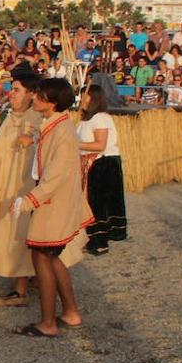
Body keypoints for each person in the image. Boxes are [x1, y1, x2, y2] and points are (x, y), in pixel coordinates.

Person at [0, 73, 84, 305]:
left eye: (17, 89)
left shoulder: (39, 119)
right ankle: (33, 282)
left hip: (27, 185)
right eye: (12, 88)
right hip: (9, 181)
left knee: (21, 233)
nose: (12, 93)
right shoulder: (8, 116)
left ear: (32, 94)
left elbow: (10, 147)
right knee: (13, 232)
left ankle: (22, 289)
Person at [12, 78, 92, 337]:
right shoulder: (58, 125)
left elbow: (56, 176)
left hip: (52, 204)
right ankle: (70, 312)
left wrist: (28, 201)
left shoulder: (63, 131)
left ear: (52, 103)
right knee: (54, 258)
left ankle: (48, 323)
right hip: (53, 202)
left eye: (39, 96)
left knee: (42, 258)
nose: (34, 98)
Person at [76, 84, 126, 254]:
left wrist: (74, 143)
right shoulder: (86, 119)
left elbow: (100, 145)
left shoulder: (100, 118)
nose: (81, 99)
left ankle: (100, 241)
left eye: (85, 96)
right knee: (90, 202)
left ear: (93, 98)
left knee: (98, 203)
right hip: (92, 162)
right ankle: (92, 238)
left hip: (103, 163)